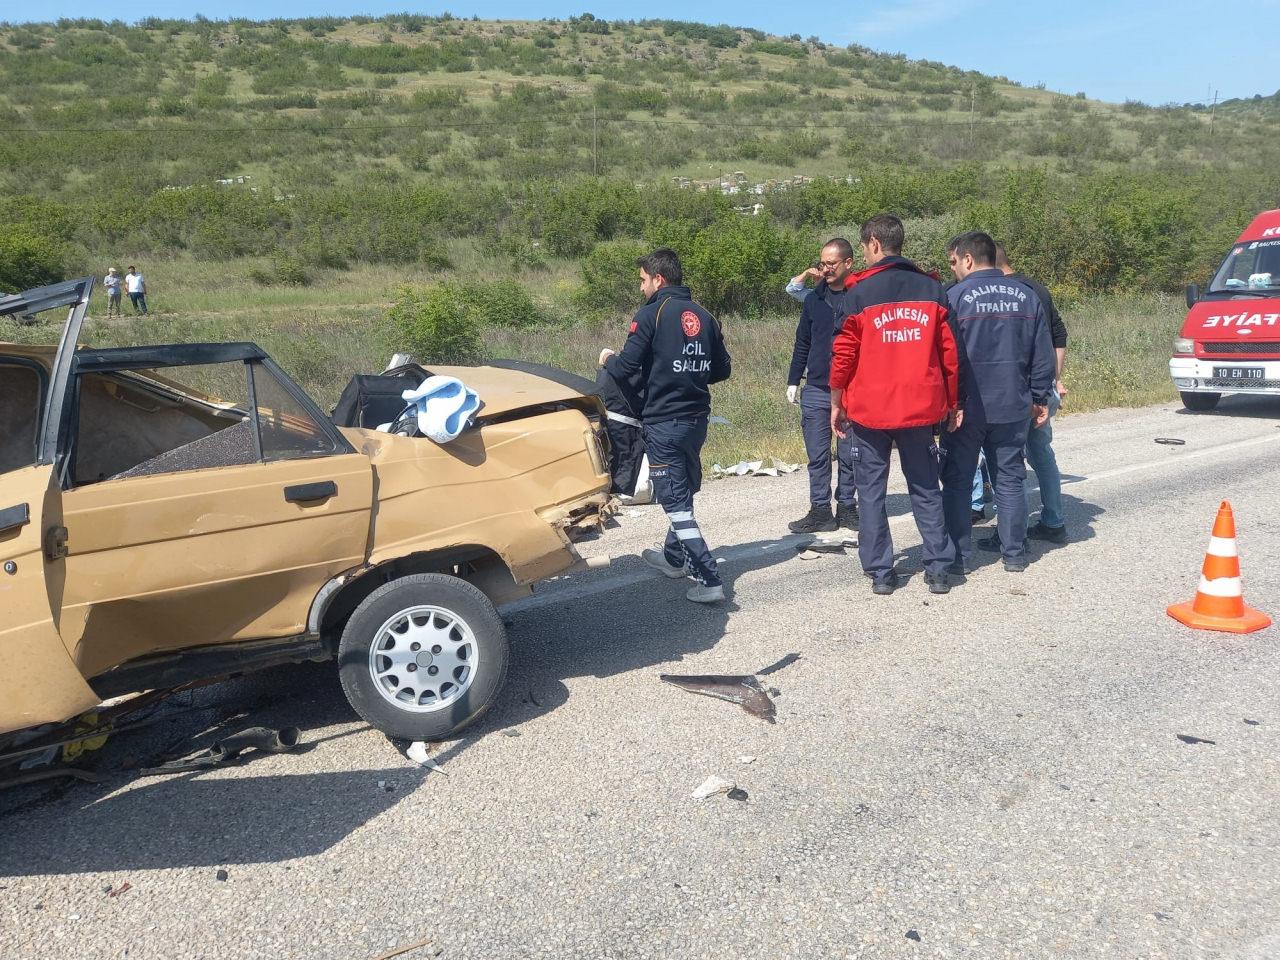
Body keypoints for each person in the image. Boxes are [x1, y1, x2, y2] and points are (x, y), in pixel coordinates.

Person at [824, 214, 960, 596]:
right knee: (925, 487)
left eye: (865, 247)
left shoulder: (858, 293)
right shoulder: (931, 288)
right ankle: (937, 569)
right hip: (920, 406)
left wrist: (837, 401)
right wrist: (952, 401)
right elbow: (949, 353)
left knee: (871, 491)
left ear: (873, 244)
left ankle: (882, 572)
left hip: (871, 409)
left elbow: (843, 354)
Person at [599, 248, 732, 604]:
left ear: (658, 279)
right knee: (683, 488)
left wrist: (608, 359)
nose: (642, 288)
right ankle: (674, 558)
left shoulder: (650, 315)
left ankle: (709, 579)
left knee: (675, 502)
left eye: (643, 280)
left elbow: (626, 367)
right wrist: (688, 373)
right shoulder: (705, 315)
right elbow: (722, 370)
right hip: (696, 420)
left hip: (663, 422)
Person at [941, 231, 1054, 574]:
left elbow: (945, 358)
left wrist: (948, 403)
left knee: (959, 480)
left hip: (967, 408)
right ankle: (1015, 554)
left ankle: (960, 558)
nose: (953, 269)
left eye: (953, 262)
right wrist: (1038, 397)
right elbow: (1043, 355)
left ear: (968, 259)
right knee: (1009, 478)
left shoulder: (953, 297)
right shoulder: (1026, 296)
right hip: (1012, 404)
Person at [994, 241, 1068, 544]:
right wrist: (1054, 380)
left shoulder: (1000, 293)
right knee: (1041, 454)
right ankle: (1053, 520)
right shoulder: (1037, 288)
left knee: (1007, 462)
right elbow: (1059, 334)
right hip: (1041, 386)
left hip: (1014, 390)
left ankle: (1012, 533)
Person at [785, 239, 859, 534]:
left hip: (852, 388)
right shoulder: (814, 299)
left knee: (849, 452)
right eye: (823, 263)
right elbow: (803, 341)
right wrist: (793, 380)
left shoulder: (860, 297)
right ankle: (820, 510)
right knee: (817, 455)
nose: (825, 269)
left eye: (831, 263)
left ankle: (848, 507)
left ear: (848, 263)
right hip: (816, 387)